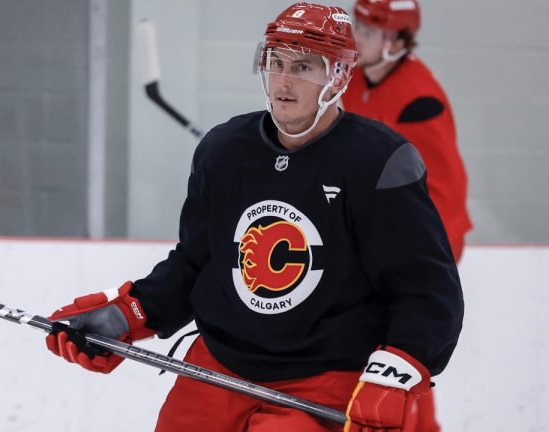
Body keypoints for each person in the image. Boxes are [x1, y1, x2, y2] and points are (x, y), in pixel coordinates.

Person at [45, 3, 464, 431]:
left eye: (303, 66)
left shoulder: (379, 162)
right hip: (219, 367)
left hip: (324, 380)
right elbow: (196, 264)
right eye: (276, 62)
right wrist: (128, 314)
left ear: (338, 76)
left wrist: (397, 367)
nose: (284, 80)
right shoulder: (224, 150)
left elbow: (427, 288)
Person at [341, 0, 472, 263]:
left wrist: (422, 245)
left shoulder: (420, 101)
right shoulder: (354, 76)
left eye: (368, 33)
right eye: (357, 26)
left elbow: (442, 185)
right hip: (384, 218)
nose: (357, 38)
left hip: (429, 233)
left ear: (397, 43)